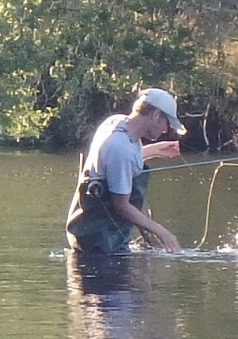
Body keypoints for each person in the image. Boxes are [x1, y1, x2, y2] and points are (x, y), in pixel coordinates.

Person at [66, 88, 185, 254]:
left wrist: (154, 150)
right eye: (166, 122)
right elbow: (121, 205)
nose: (166, 130)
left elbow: (114, 164)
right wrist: (162, 233)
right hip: (100, 243)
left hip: (86, 234)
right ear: (156, 115)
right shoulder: (120, 148)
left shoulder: (116, 122)